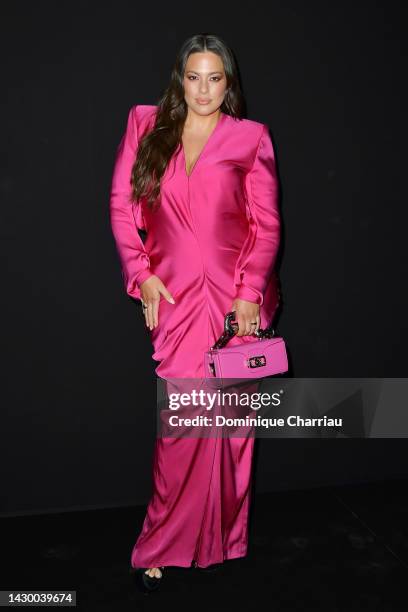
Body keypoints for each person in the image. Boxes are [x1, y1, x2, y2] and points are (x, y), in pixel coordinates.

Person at [109, 32, 281, 591]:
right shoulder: (147, 125)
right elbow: (121, 206)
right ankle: (161, 543)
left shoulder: (250, 138)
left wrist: (250, 292)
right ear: (179, 79)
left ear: (228, 83)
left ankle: (223, 540)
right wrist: (142, 274)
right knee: (183, 427)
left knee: (229, 429)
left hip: (235, 303)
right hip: (177, 300)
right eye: (193, 76)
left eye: (215, 78)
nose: (203, 89)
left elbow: (266, 224)